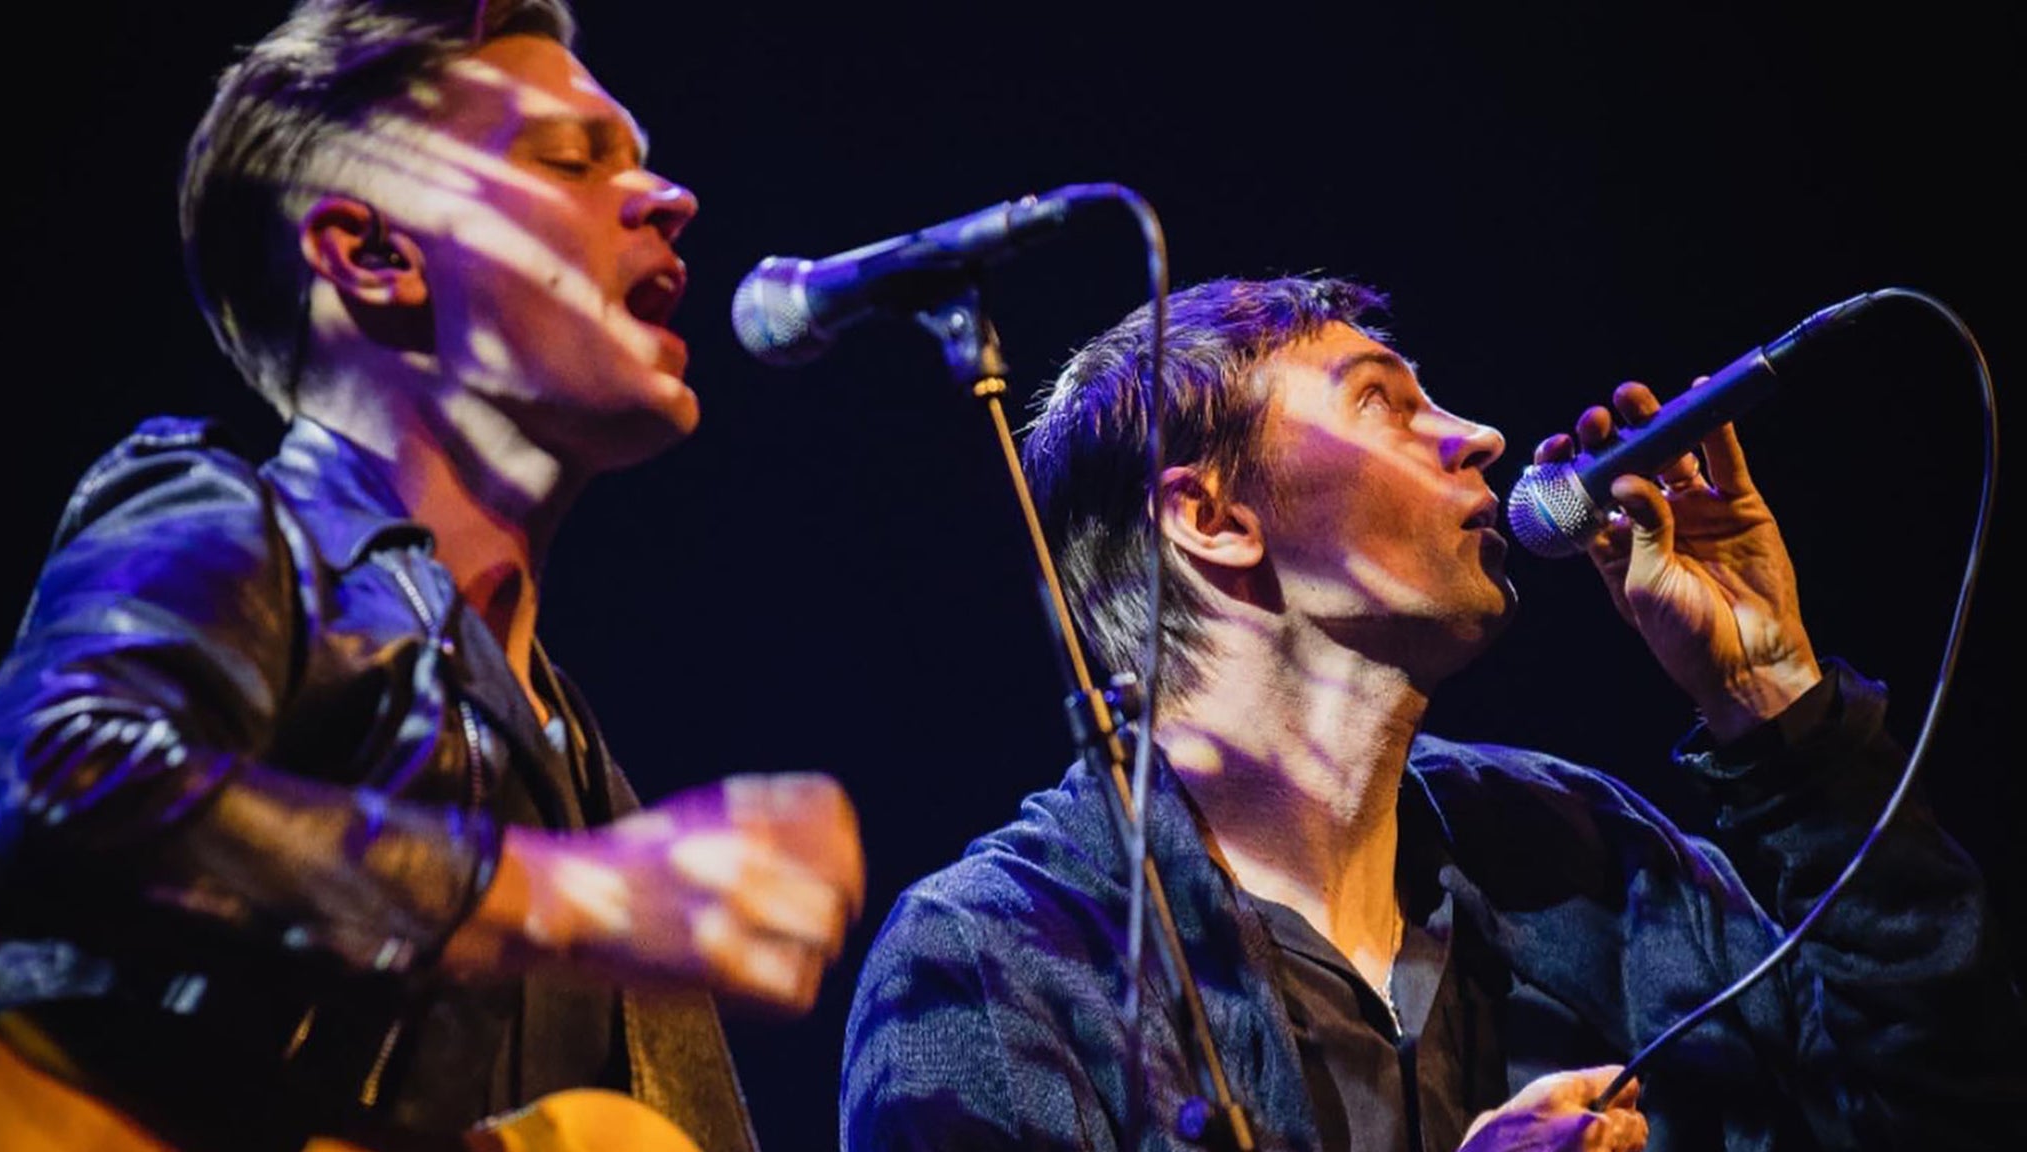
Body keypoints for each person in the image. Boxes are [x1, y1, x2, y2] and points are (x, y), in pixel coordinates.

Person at [839, 276, 2024, 1151]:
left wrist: (1771, 712)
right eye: (1380, 403)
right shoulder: (998, 963)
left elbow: (1943, 1118)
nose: (1482, 439)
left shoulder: (1582, 856)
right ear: (1210, 517)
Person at [0, 2, 864, 1150]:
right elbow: (50, 787)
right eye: (567, 159)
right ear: (373, 254)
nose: (668, 198)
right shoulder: (240, 528)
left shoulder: (582, 779)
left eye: (639, 161)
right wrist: (563, 899)